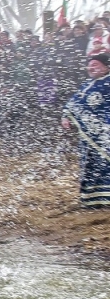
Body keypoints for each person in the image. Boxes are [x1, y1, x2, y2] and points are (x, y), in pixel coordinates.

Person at [62, 53, 110, 208]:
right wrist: (65, 116)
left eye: (95, 65)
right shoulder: (87, 84)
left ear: (106, 67)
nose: (91, 67)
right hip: (88, 137)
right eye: (90, 64)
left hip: (106, 133)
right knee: (90, 164)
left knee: (105, 162)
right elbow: (73, 103)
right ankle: (92, 198)